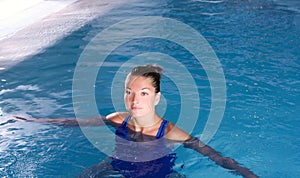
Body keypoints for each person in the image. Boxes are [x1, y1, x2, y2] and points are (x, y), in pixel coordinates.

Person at [15, 64, 258, 178]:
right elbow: (75, 122)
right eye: (129, 91)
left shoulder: (170, 131)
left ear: (157, 98)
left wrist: (249, 175)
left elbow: (217, 157)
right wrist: (35, 120)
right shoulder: (117, 119)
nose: (134, 99)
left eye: (144, 93)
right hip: (116, 165)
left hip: (158, 174)